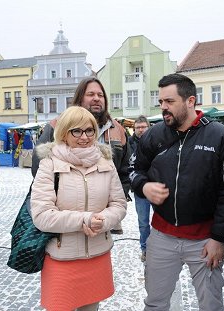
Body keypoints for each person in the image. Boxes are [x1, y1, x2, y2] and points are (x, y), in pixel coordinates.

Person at [129, 73, 224, 310]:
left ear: (190, 101)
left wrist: (218, 237)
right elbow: (134, 170)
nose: (163, 108)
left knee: (211, 305)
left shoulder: (220, 135)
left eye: (169, 102)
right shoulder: (153, 135)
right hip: (161, 237)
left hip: (204, 240)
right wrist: (144, 185)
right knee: (155, 304)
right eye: (161, 102)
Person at [30, 106, 127, 311]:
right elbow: (42, 215)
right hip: (61, 259)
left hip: (97, 255)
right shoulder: (49, 164)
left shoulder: (106, 162)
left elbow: (119, 204)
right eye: (77, 131)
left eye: (89, 130)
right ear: (64, 133)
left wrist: (103, 221)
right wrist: (85, 220)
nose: (84, 137)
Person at [31, 77, 130, 234]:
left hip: (103, 221)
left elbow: (124, 170)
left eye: (101, 95)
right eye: (90, 94)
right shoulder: (57, 125)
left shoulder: (117, 129)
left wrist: (111, 212)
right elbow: (39, 168)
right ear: (80, 98)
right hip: (64, 222)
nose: (97, 98)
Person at [128, 115, 152, 262]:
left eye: (143, 127)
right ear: (134, 129)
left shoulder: (156, 140)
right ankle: (145, 249)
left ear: (148, 127)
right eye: (138, 127)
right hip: (140, 190)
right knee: (143, 223)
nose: (141, 130)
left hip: (156, 187)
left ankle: (157, 249)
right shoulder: (130, 144)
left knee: (159, 222)